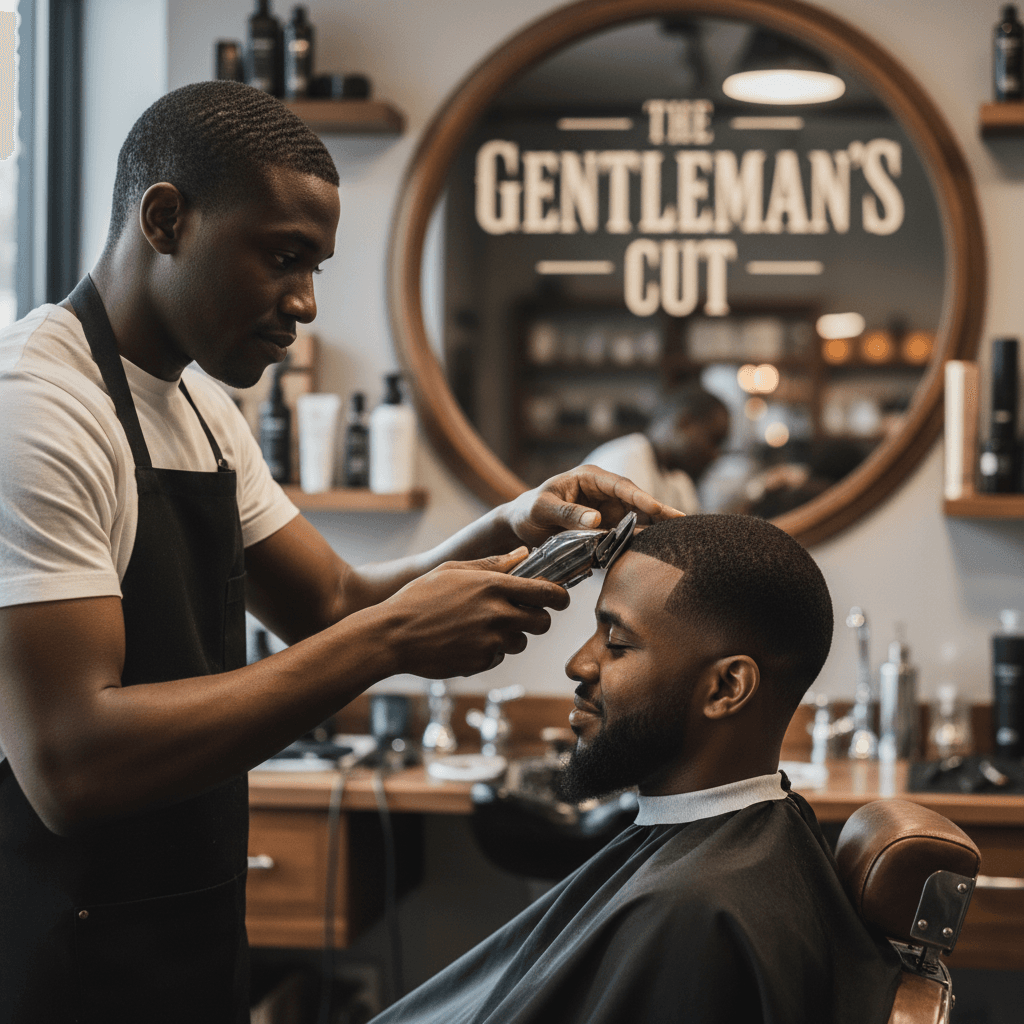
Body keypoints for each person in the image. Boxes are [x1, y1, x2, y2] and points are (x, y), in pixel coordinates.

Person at [0, 82, 681, 1024]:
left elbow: (329, 602)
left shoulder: (199, 410)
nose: (307, 303)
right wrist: (390, 641)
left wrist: (510, 525)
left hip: (183, 939)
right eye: (284, 258)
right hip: (56, 961)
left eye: (315, 267)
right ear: (166, 220)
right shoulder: (38, 410)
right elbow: (69, 763)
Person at [370, 514, 904, 1024]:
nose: (578, 664)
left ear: (726, 688)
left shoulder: (695, 914)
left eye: (617, 642)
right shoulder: (744, 856)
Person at [583, 383, 730, 513]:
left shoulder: (678, 479)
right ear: (685, 424)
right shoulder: (625, 461)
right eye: (714, 440)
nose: (715, 454)